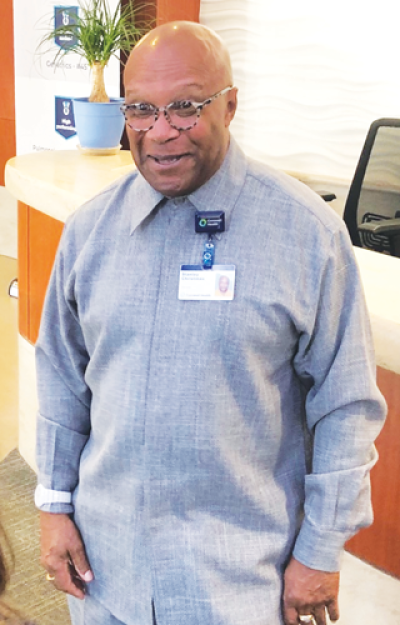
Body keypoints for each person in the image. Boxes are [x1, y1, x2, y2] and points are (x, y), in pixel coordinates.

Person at [34, 20, 386, 625]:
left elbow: (346, 407)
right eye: (141, 109)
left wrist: (320, 551)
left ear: (230, 104)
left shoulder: (307, 236)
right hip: (107, 577)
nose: (160, 131)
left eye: (186, 107)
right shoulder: (90, 233)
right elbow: (63, 382)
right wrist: (52, 506)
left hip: (240, 587)